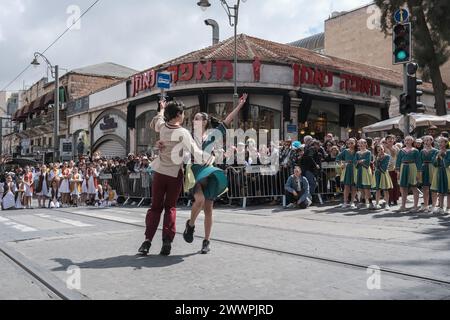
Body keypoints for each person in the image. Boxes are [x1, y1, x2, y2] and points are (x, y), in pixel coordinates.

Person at [138, 99, 206, 257]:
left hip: (160, 173)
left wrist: (161, 109)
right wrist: (211, 160)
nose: (183, 116)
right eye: (182, 113)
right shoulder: (183, 133)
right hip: (175, 174)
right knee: (170, 208)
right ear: (178, 115)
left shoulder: (162, 127)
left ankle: (147, 241)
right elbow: (197, 153)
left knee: (155, 207)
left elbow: (157, 121)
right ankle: (167, 241)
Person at [182, 94, 248, 254]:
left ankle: (206, 241)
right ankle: (190, 225)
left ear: (205, 122)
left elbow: (226, 121)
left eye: (198, 118)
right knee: (199, 199)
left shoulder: (212, 135)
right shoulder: (188, 136)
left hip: (209, 171)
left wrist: (239, 106)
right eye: (194, 119)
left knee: (209, 209)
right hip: (195, 171)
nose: (194, 120)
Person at [396, 136, 422, 213]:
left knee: (414, 187)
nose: (407, 141)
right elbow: (398, 161)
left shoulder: (415, 151)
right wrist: (398, 172)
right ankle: (403, 206)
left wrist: (418, 173)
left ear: (412, 141)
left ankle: (415, 206)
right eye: (406, 140)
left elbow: (418, 162)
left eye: (409, 140)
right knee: (403, 188)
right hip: (403, 167)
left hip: (412, 167)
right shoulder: (401, 151)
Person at [430, 137, 450, 215]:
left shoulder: (449, 152)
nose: (440, 144)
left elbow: (448, 163)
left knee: (448, 191)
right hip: (439, 171)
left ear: (446, 143)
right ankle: (441, 207)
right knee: (440, 190)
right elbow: (434, 163)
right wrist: (436, 158)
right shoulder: (437, 152)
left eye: (442, 142)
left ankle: (448, 207)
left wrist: (442, 156)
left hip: (447, 171)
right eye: (439, 142)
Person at [336, 138, 357, 209]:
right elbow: (338, 158)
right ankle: (345, 202)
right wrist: (341, 164)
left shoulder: (357, 151)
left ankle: (352, 202)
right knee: (346, 186)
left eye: (352, 143)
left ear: (355, 143)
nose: (350, 145)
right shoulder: (345, 151)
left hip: (355, 169)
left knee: (354, 186)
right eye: (348, 143)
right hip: (347, 169)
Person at [419, 136, 438, 212]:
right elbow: (420, 161)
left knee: (433, 188)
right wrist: (419, 171)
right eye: (425, 140)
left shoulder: (435, 151)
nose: (426, 142)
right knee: (425, 188)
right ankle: (426, 205)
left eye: (428, 140)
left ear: (431, 141)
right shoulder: (422, 151)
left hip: (432, 168)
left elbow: (436, 162)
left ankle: (433, 205)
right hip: (424, 168)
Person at [372, 144, 393, 210]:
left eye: (381, 149)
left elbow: (384, 166)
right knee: (377, 189)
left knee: (385, 189)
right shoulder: (376, 156)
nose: (380, 151)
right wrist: (376, 160)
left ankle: (387, 204)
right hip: (377, 173)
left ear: (383, 148)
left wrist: (377, 162)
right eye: (378, 150)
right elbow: (375, 165)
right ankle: (377, 204)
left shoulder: (387, 156)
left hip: (383, 173)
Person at [355, 139, 373, 209]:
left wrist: (360, 161)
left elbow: (367, 161)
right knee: (360, 187)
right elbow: (355, 161)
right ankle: (363, 202)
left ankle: (370, 202)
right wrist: (360, 161)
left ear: (366, 144)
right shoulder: (357, 153)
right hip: (359, 170)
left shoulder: (368, 152)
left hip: (365, 170)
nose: (361, 144)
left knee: (366, 187)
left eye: (363, 143)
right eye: (360, 143)